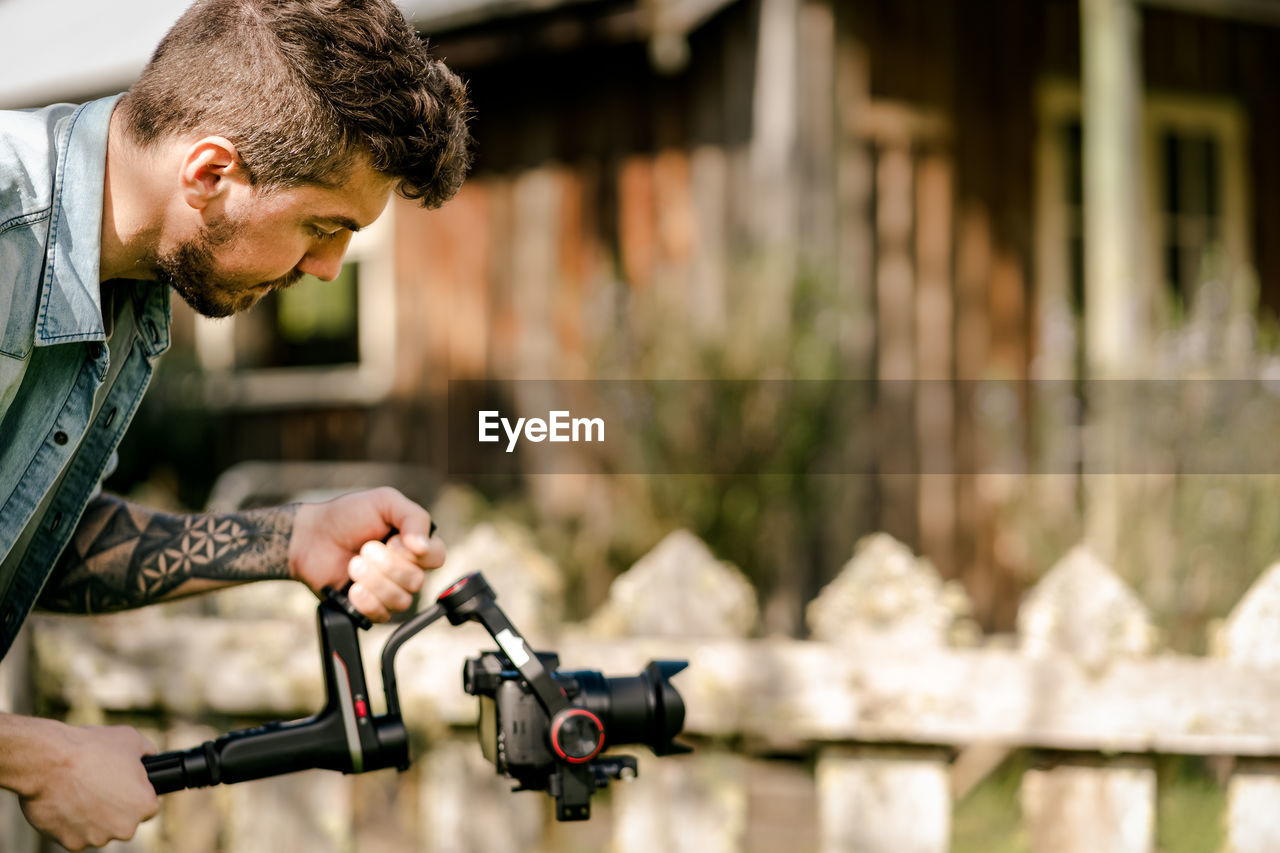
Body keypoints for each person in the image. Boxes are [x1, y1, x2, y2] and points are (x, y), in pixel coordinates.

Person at [0, 0, 473, 848]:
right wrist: (34, 756)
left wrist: (289, 539)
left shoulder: (129, 290)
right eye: (322, 227)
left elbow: (34, 537)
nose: (330, 270)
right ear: (211, 174)